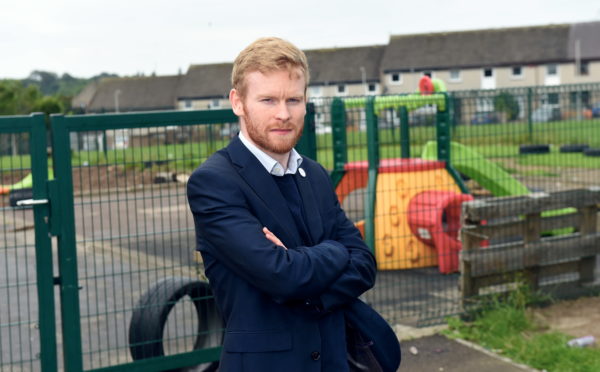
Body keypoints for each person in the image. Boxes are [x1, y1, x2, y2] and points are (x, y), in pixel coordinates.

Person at [187, 37, 400, 372]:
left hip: (334, 360)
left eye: (293, 100)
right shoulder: (215, 182)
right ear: (238, 102)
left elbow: (364, 264)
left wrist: (303, 273)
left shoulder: (313, 174)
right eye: (268, 100)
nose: (283, 114)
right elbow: (281, 275)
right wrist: (336, 250)